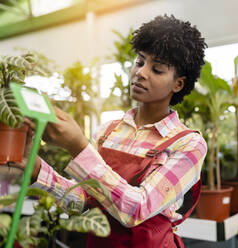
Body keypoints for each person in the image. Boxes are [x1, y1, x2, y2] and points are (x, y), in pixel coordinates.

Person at [16, 15, 208, 247]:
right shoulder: (109, 131)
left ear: (178, 84)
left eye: (156, 69)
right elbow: (83, 202)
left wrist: (78, 148)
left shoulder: (188, 144)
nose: (141, 73)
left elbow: (137, 209)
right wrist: (35, 167)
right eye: (140, 61)